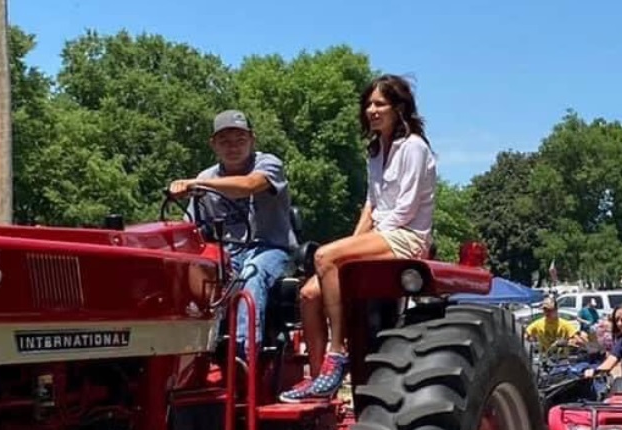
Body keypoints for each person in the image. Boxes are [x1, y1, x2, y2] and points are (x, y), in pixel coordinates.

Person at [278, 74, 437, 403]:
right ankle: (320, 377)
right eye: (368, 104)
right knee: (308, 293)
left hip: (406, 236)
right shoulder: (376, 150)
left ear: (399, 107)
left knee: (324, 256)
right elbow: (371, 204)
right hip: (382, 232)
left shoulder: (414, 147)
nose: (372, 110)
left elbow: (404, 210)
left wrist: (345, 252)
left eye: (380, 103)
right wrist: (351, 245)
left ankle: (338, 353)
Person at [169, 109, 298, 360]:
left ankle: (243, 356)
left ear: (252, 140)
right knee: (195, 277)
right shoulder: (205, 177)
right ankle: (195, 354)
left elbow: (248, 186)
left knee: (252, 275)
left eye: (240, 140)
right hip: (227, 252)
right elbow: (191, 229)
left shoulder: (268, 164)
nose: (233, 147)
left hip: (271, 248)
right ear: (213, 144)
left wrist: (197, 185)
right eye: (225, 141)